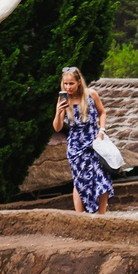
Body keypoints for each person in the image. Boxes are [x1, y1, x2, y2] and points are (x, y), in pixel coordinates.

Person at [53, 67, 113, 215]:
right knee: (79, 181)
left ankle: (102, 215)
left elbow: (102, 112)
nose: (68, 87)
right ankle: (80, 217)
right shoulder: (63, 99)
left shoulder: (91, 94)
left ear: (79, 81)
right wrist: (59, 112)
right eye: (65, 84)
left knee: (101, 176)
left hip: (94, 142)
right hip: (75, 145)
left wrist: (102, 130)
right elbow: (57, 127)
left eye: (71, 83)